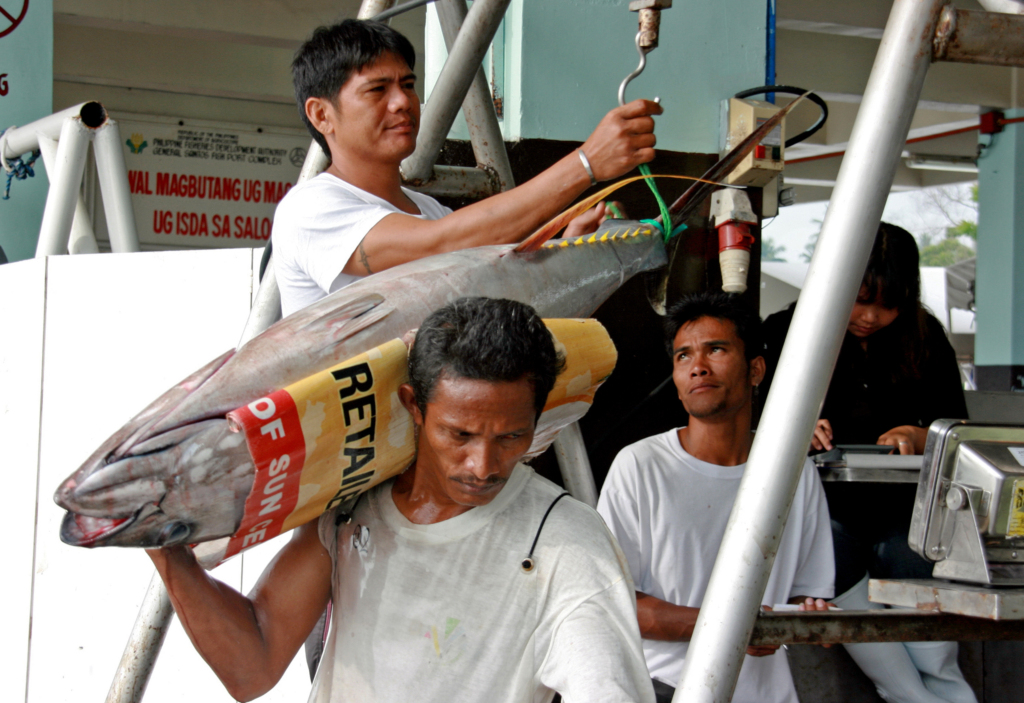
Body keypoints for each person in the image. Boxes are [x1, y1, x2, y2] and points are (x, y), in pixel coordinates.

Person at [147, 296, 655, 703]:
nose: (482, 465)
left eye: (509, 437)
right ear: (414, 405)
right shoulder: (352, 507)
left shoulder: (566, 543)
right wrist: (166, 553)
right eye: (459, 434)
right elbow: (251, 669)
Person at [273, 19, 660, 317]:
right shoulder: (310, 208)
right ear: (321, 114)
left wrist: (568, 245)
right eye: (378, 90)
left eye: (408, 85)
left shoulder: (428, 211)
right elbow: (439, 243)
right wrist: (586, 163)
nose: (402, 103)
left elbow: (503, 288)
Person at [761, 223, 976, 703]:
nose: (871, 317)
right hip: (823, 511)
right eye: (860, 300)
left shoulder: (925, 338)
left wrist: (923, 435)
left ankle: (946, 693)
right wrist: (794, 427)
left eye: (888, 304)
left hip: (906, 515)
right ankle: (914, 696)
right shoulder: (784, 332)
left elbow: (959, 430)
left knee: (918, 574)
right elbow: (753, 420)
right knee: (830, 553)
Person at [597, 292, 834, 703]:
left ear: (756, 370)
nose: (698, 368)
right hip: (662, 689)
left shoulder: (794, 472)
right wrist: (735, 628)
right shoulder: (640, 466)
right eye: (683, 356)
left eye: (716, 350)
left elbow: (805, 594)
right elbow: (617, 605)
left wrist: (806, 618)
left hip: (766, 694)